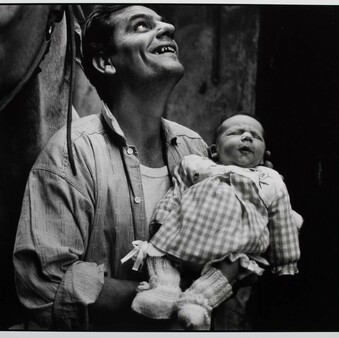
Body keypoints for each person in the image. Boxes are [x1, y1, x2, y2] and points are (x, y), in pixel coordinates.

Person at [12, 5, 250, 330]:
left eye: (163, 22)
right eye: (141, 26)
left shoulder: (193, 147)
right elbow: (46, 283)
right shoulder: (71, 153)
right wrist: (164, 301)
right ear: (105, 62)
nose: (167, 27)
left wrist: (251, 203)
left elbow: (223, 245)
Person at [123, 114, 302, 330]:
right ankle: (163, 289)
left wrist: (285, 262)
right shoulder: (197, 165)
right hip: (183, 237)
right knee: (159, 251)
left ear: (264, 155)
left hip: (231, 250)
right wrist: (161, 221)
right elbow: (177, 192)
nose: (247, 137)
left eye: (256, 137)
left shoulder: (270, 180)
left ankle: (198, 302)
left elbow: (281, 221)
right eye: (236, 133)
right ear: (215, 150)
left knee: (235, 266)